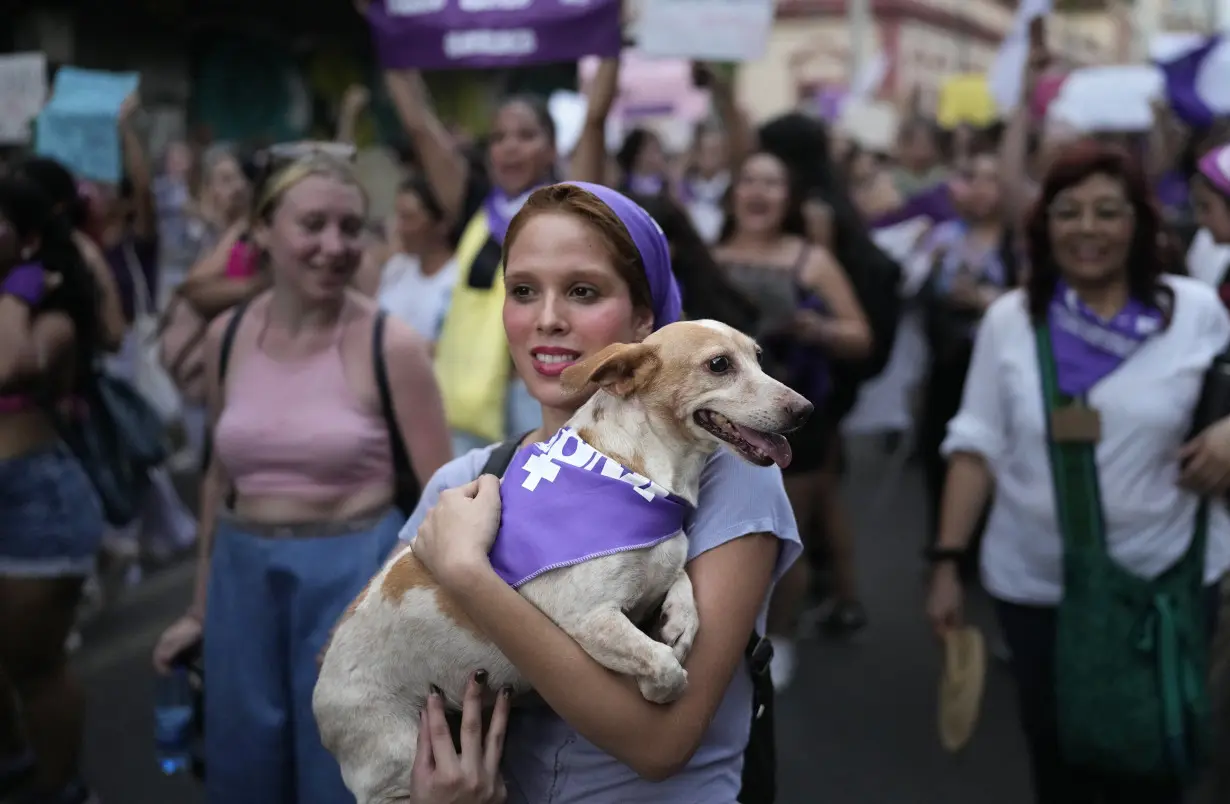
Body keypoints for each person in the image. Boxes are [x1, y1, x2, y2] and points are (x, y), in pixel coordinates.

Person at [404, 181, 801, 802]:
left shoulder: (731, 476)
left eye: (583, 291)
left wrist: (471, 577)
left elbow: (661, 745)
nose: (548, 318)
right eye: (523, 290)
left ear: (644, 321)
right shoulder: (464, 483)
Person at [926, 140, 1230, 803]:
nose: (1087, 229)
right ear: (1045, 226)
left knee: (1156, 753)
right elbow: (975, 443)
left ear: (1139, 223)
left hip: (1166, 585)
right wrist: (948, 563)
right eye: (1068, 212)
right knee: (1061, 759)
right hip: (1037, 588)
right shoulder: (1012, 320)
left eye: (1107, 211)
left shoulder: (1196, 311)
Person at [151, 154, 453, 804]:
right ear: (262, 229)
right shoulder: (226, 335)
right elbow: (215, 483)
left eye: (350, 227)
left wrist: (402, 623)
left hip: (355, 582)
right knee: (245, 772)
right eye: (312, 224)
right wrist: (201, 606)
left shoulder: (391, 344)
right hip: (241, 579)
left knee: (341, 777)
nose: (334, 246)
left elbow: (442, 503)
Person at [713, 150, 872, 684]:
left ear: (790, 198)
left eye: (772, 182)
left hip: (798, 420)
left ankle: (778, 635)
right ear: (733, 193)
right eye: (748, 179)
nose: (758, 191)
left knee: (782, 538)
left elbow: (860, 335)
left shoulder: (812, 261)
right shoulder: (708, 256)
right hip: (722, 424)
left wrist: (819, 329)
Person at [0, 175, 105, 804]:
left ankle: (62, 791)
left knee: (34, 668)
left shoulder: (54, 313)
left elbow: (11, 363)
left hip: (32, 503)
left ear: (31, 238)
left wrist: (20, 288)